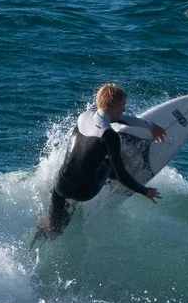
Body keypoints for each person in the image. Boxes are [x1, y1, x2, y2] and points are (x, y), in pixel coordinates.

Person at [38, 84, 162, 238]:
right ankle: (97, 190)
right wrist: (145, 191)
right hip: (85, 192)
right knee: (112, 164)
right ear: (114, 105)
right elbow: (121, 174)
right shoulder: (109, 136)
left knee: (55, 221)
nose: (124, 109)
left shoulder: (83, 117)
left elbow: (118, 118)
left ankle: (51, 228)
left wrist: (150, 126)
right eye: (123, 104)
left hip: (61, 185)